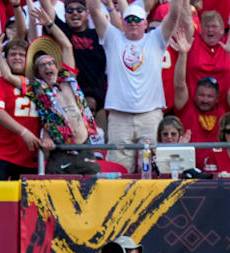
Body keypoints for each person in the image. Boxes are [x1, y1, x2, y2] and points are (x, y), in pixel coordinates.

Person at [0, 7, 100, 175]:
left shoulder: (69, 79)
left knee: (94, 190)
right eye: (42, 65)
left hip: (84, 146)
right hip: (59, 149)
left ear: (56, 66)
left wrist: (50, 24)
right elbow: (8, 76)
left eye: (50, 63)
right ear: (37, 72)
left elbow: (67, 45)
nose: (47, 66)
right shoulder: (36, 88)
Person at [88, 0, 182, 172]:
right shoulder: (113, 38)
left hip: (150, 114)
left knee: (155, 169)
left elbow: (174, 15)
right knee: (119, 170)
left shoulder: (156, 38)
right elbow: (93, 10)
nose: (133, 23)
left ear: (145, 23)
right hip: (119, 116)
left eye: (137, 20)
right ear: (122, 22)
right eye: (129, 19)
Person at [0, 38, 42, 180]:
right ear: (6, 58)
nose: (17, 57)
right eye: (13, 54)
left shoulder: (38, 86)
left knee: (29, 202)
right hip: (1, 153)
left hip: (30, 155)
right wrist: (23, 132)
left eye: (21, 54)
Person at [173, 28, 227, 171]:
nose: (205, 99)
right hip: (188, 174)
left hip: (220, 177)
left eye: (209, 96)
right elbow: (179, 84)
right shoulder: (186, 108)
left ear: (217, 99)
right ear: (195, 95)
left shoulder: (224, 112)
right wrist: (183, 53)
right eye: (202, 95)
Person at [39, 0, 107, 110]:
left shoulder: (98, 35)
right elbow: (47, 7)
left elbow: (96, 9)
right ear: (65, 16)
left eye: (79, 10)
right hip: (69, 99)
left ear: (87, 14)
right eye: (70, 10)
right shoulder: (61, 30)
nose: (75, 13)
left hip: (98, 104)